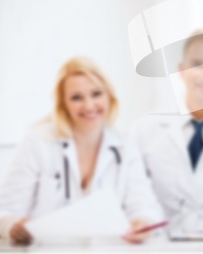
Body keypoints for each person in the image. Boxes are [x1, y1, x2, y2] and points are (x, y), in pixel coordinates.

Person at [0, 57, 163, 245]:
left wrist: (142, 222)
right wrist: (14, 226)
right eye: (76, 97)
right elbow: (6, 211)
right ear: (63, 104)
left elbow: (144, 204)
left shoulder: (125, 143)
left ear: (109, 96)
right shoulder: (37, 142)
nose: (89, 105)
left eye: (96, 94)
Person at [133, 30, 203, 238]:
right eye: (197, 64)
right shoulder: (145, 130)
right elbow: (136, 190)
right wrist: (143, 219)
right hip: (162, 245)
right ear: (181, 70)